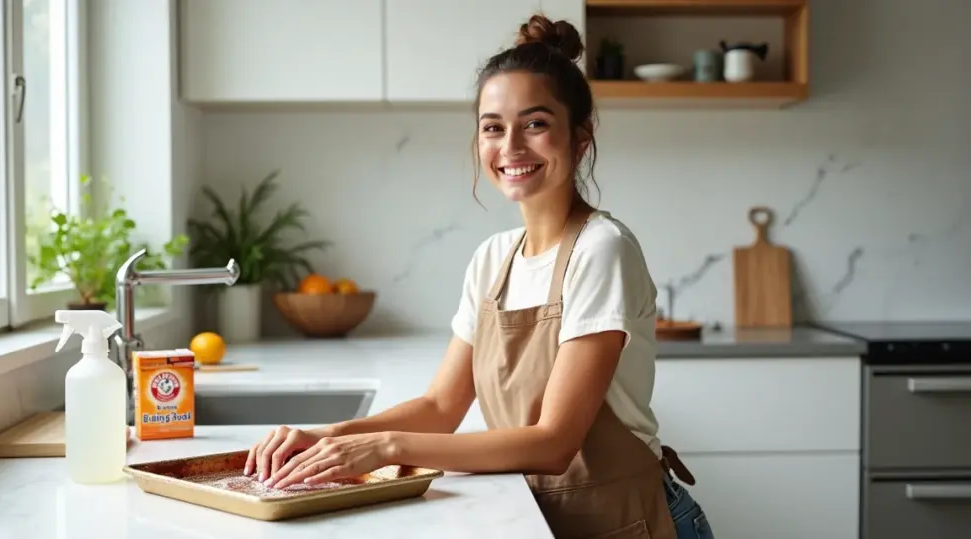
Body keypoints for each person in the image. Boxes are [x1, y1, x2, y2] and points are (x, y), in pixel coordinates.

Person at [244, 14, 714, 539]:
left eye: (535, 124)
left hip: (632, 518)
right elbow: (441, 407)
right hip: (540, 517)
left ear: (581, 139)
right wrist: (330, 436)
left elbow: (554, 443)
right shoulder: (493, 259)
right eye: (493, 127)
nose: (510, 146)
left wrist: (386, 447)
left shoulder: (602, 250)